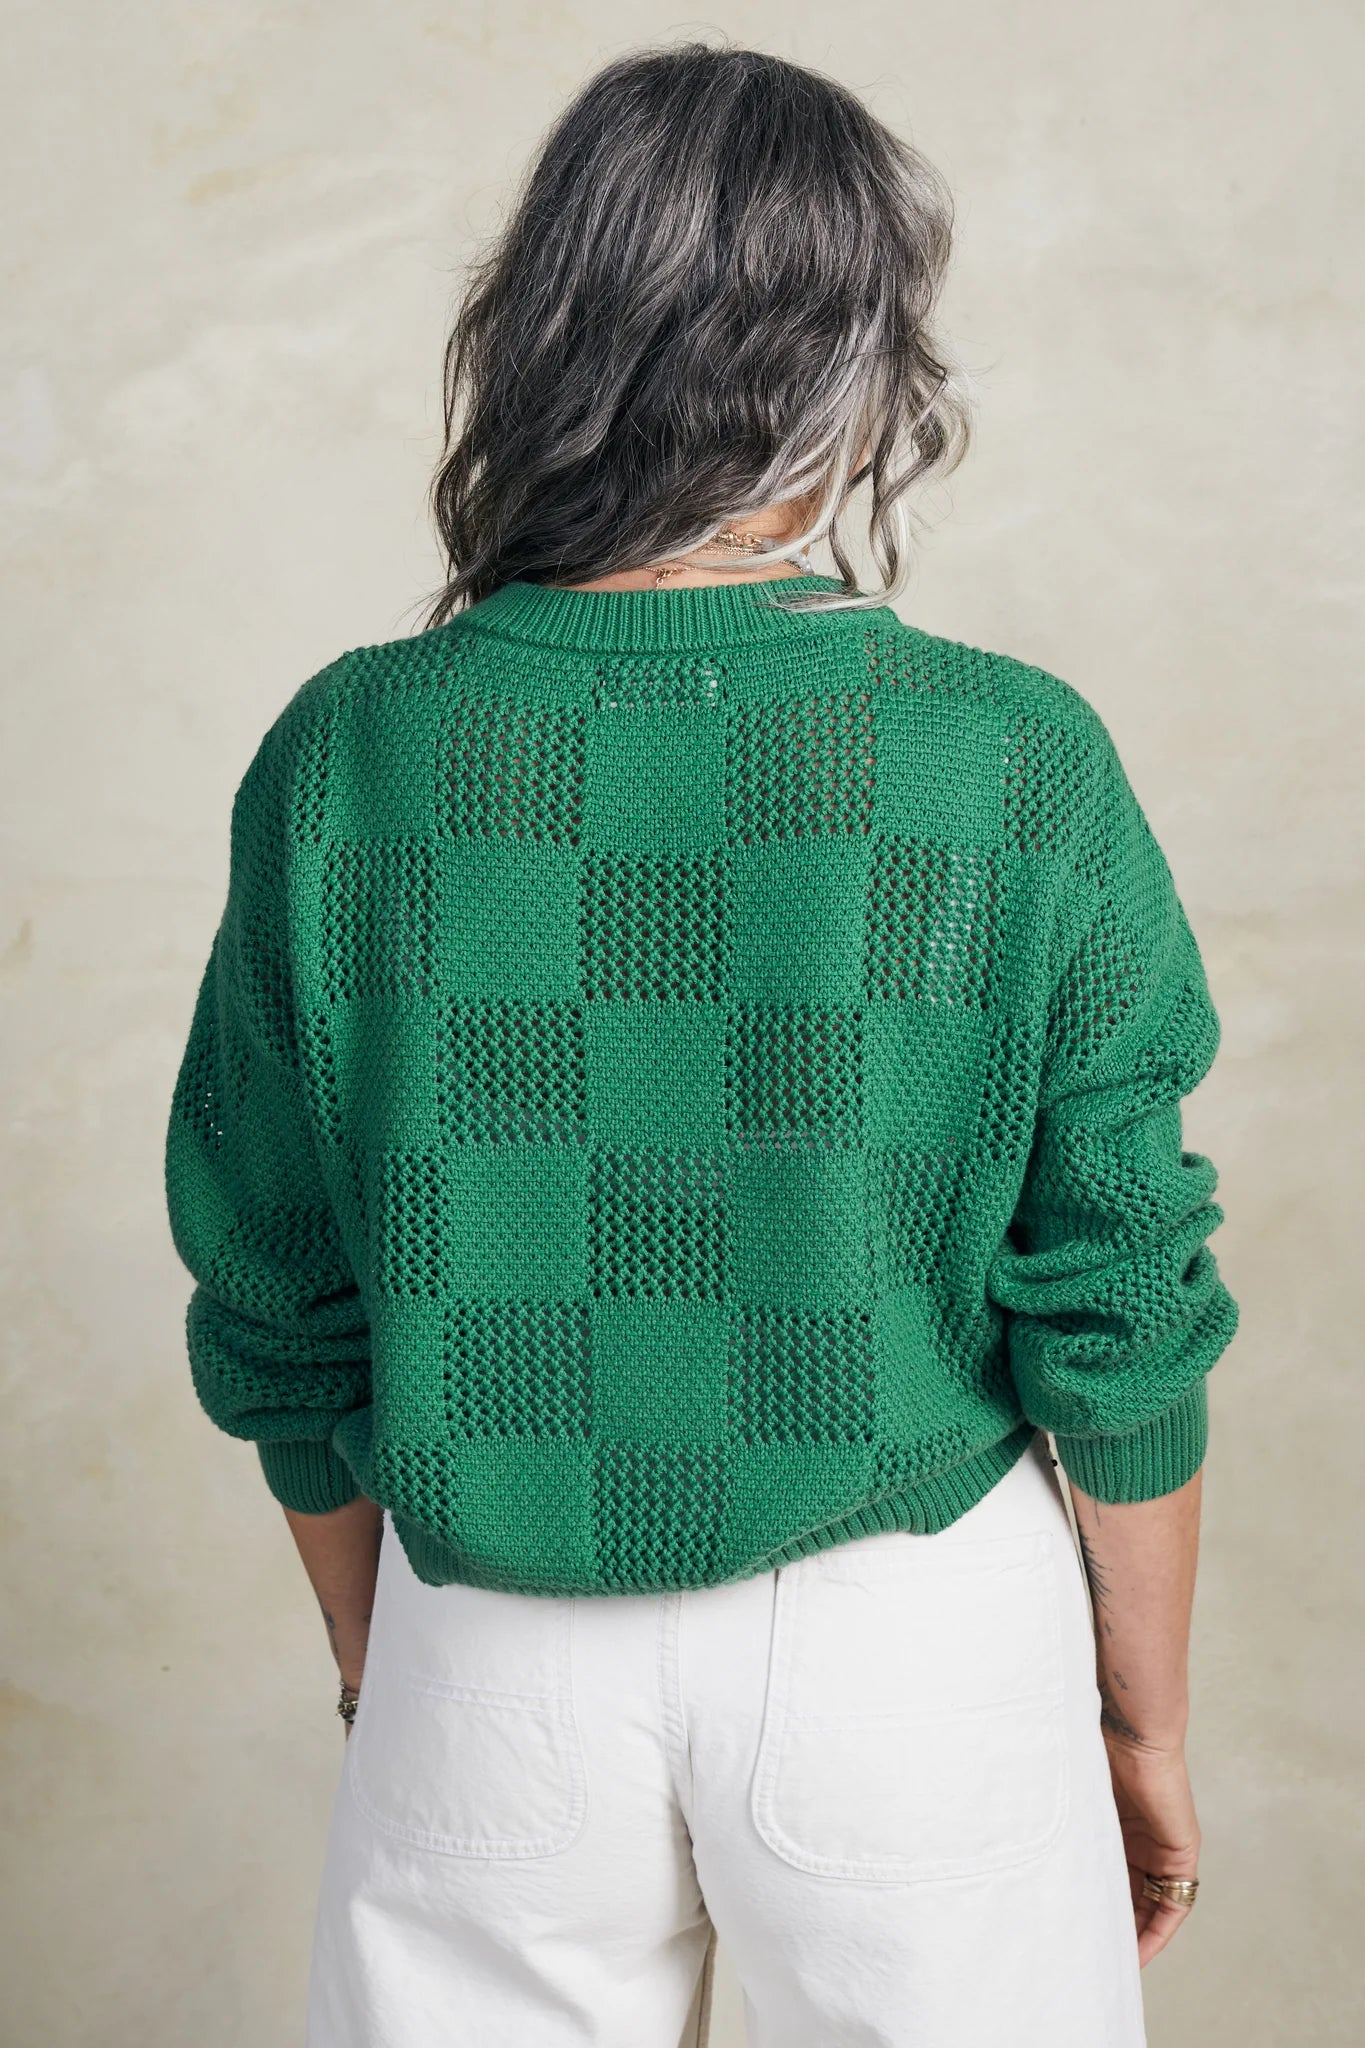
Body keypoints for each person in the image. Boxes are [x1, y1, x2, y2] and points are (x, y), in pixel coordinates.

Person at [163, 41, 1237, 2048]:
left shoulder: (347, 750)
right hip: (914, 1646)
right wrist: (1142, 1720)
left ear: (542, 331)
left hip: (482, 1637)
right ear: (861, 366)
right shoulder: (1009, 756)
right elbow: (1117, 1301)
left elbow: (277, 1289)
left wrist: (384, 1667)